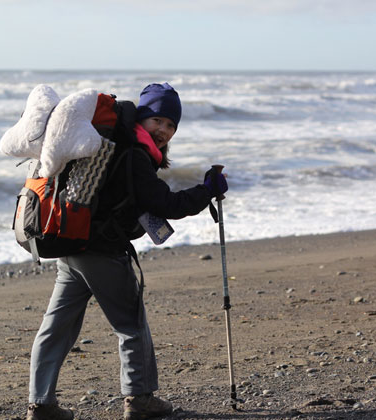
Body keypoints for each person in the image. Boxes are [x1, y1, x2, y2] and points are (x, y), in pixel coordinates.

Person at [26, 83, 228, 420]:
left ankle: (41, 403)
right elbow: (167, 204)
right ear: (143, 118)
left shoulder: (113, 145)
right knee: (131, 324)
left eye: (170, 126)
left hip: (71, 246)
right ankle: (140, 399)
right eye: (158, 121)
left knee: (56, 326)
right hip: (102, 251)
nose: (163, 131)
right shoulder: (133, 154)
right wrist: (206, 190)